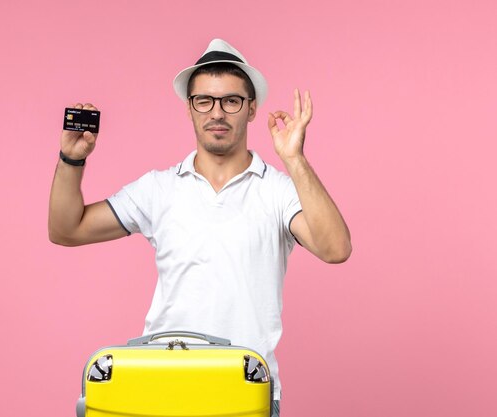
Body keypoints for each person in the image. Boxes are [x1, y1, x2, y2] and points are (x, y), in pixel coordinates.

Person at [48, 39, 351, 415]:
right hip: (160, 387)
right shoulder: (159, 188)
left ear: (252, 107)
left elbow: (336, 248)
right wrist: (71, 160)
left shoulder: (277, 190)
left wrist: (294, 159)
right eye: (204, 101)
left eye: (231, 101)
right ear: (189, 109)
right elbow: (66, 230)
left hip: (245, 390)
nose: (217, 113)